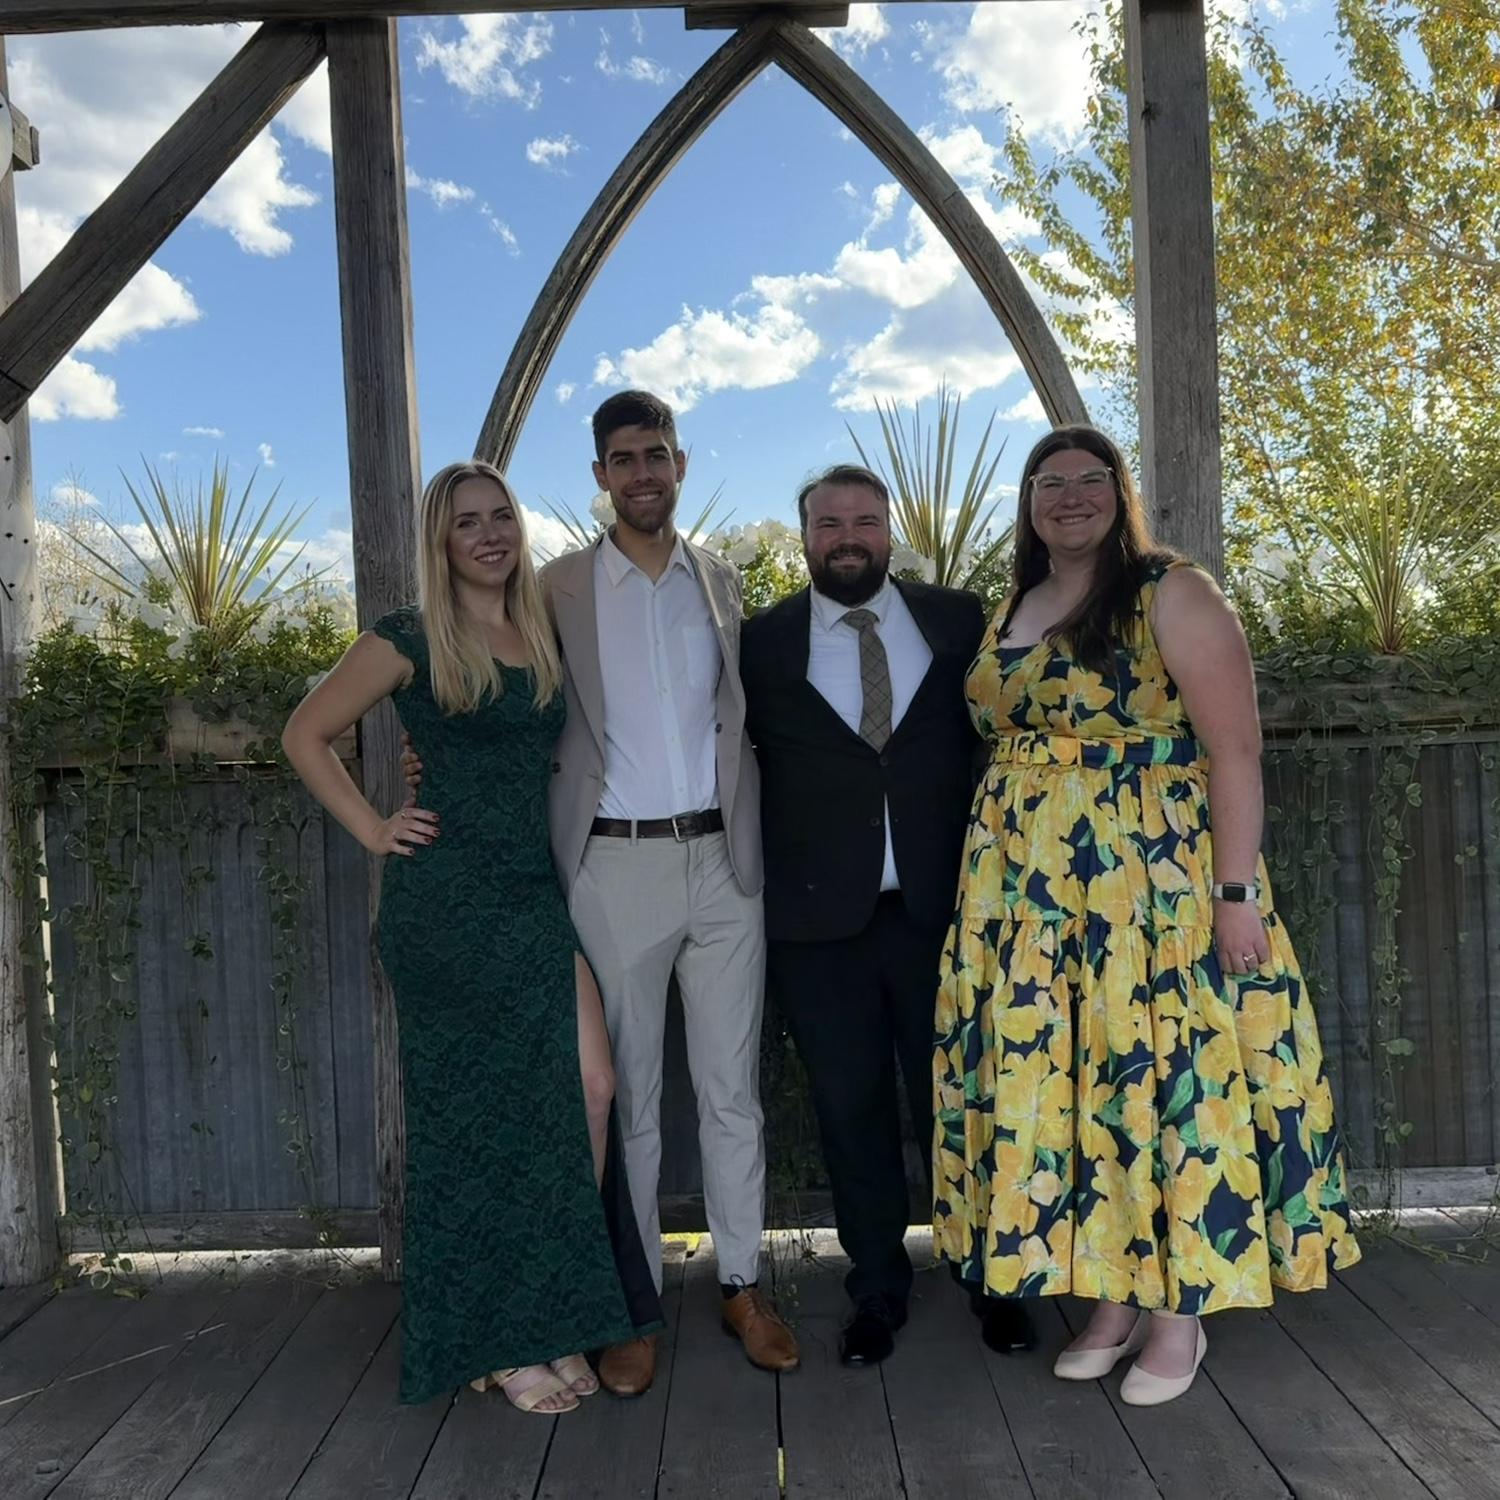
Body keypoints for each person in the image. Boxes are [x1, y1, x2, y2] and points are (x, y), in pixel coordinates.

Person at [932, 425, 1361, 1406]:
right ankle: (1114, 1298)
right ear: (1028, 504)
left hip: (1149, 895)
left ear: (1120, 493)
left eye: (1092, 479)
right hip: (1030, 906)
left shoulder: (1171, 590)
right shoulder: (1016, 603)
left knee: (1164, 1081)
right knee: (1078, 1091)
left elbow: (1236, 749)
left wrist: (1235, 895)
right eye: (1050, 481)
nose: (1070, 496)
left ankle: (1179, 1312)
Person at [404, 392, 798, 1397]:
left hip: (725, 865)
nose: (643, 473)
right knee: (627, 1100)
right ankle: (631, 1302)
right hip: (613, 867)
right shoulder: (555, 590)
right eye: (624, 459)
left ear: (680, 463)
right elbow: (482, 684)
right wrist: (425, 767)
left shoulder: (722, 580)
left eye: (657, 455)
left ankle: (744, 1285)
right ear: (600, 477)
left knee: (732, 1093)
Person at [283, 460, 661, 1413]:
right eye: (466, 523)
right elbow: (304, 734)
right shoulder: (407, 637)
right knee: (473, 1125)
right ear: (440, 541)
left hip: (532, 896)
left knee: (590, 1088)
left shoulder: (541, 630)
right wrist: (376, 829)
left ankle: (545, 1310)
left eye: (501, 516)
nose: (489, 534)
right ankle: (501, 1342)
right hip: (446, 907)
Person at [740, 464, 1034, 1367]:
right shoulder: (759, 642)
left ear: (890, 530)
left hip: (943, 914)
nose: (847, 537)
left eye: (864, 520)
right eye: (829, 523)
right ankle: (875, 1287)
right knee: (849, 1107)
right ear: (805, 536)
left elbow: (1015, 721)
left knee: (963, 1100)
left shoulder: (958, 618)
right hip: (816, 924)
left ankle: (991, 1278)